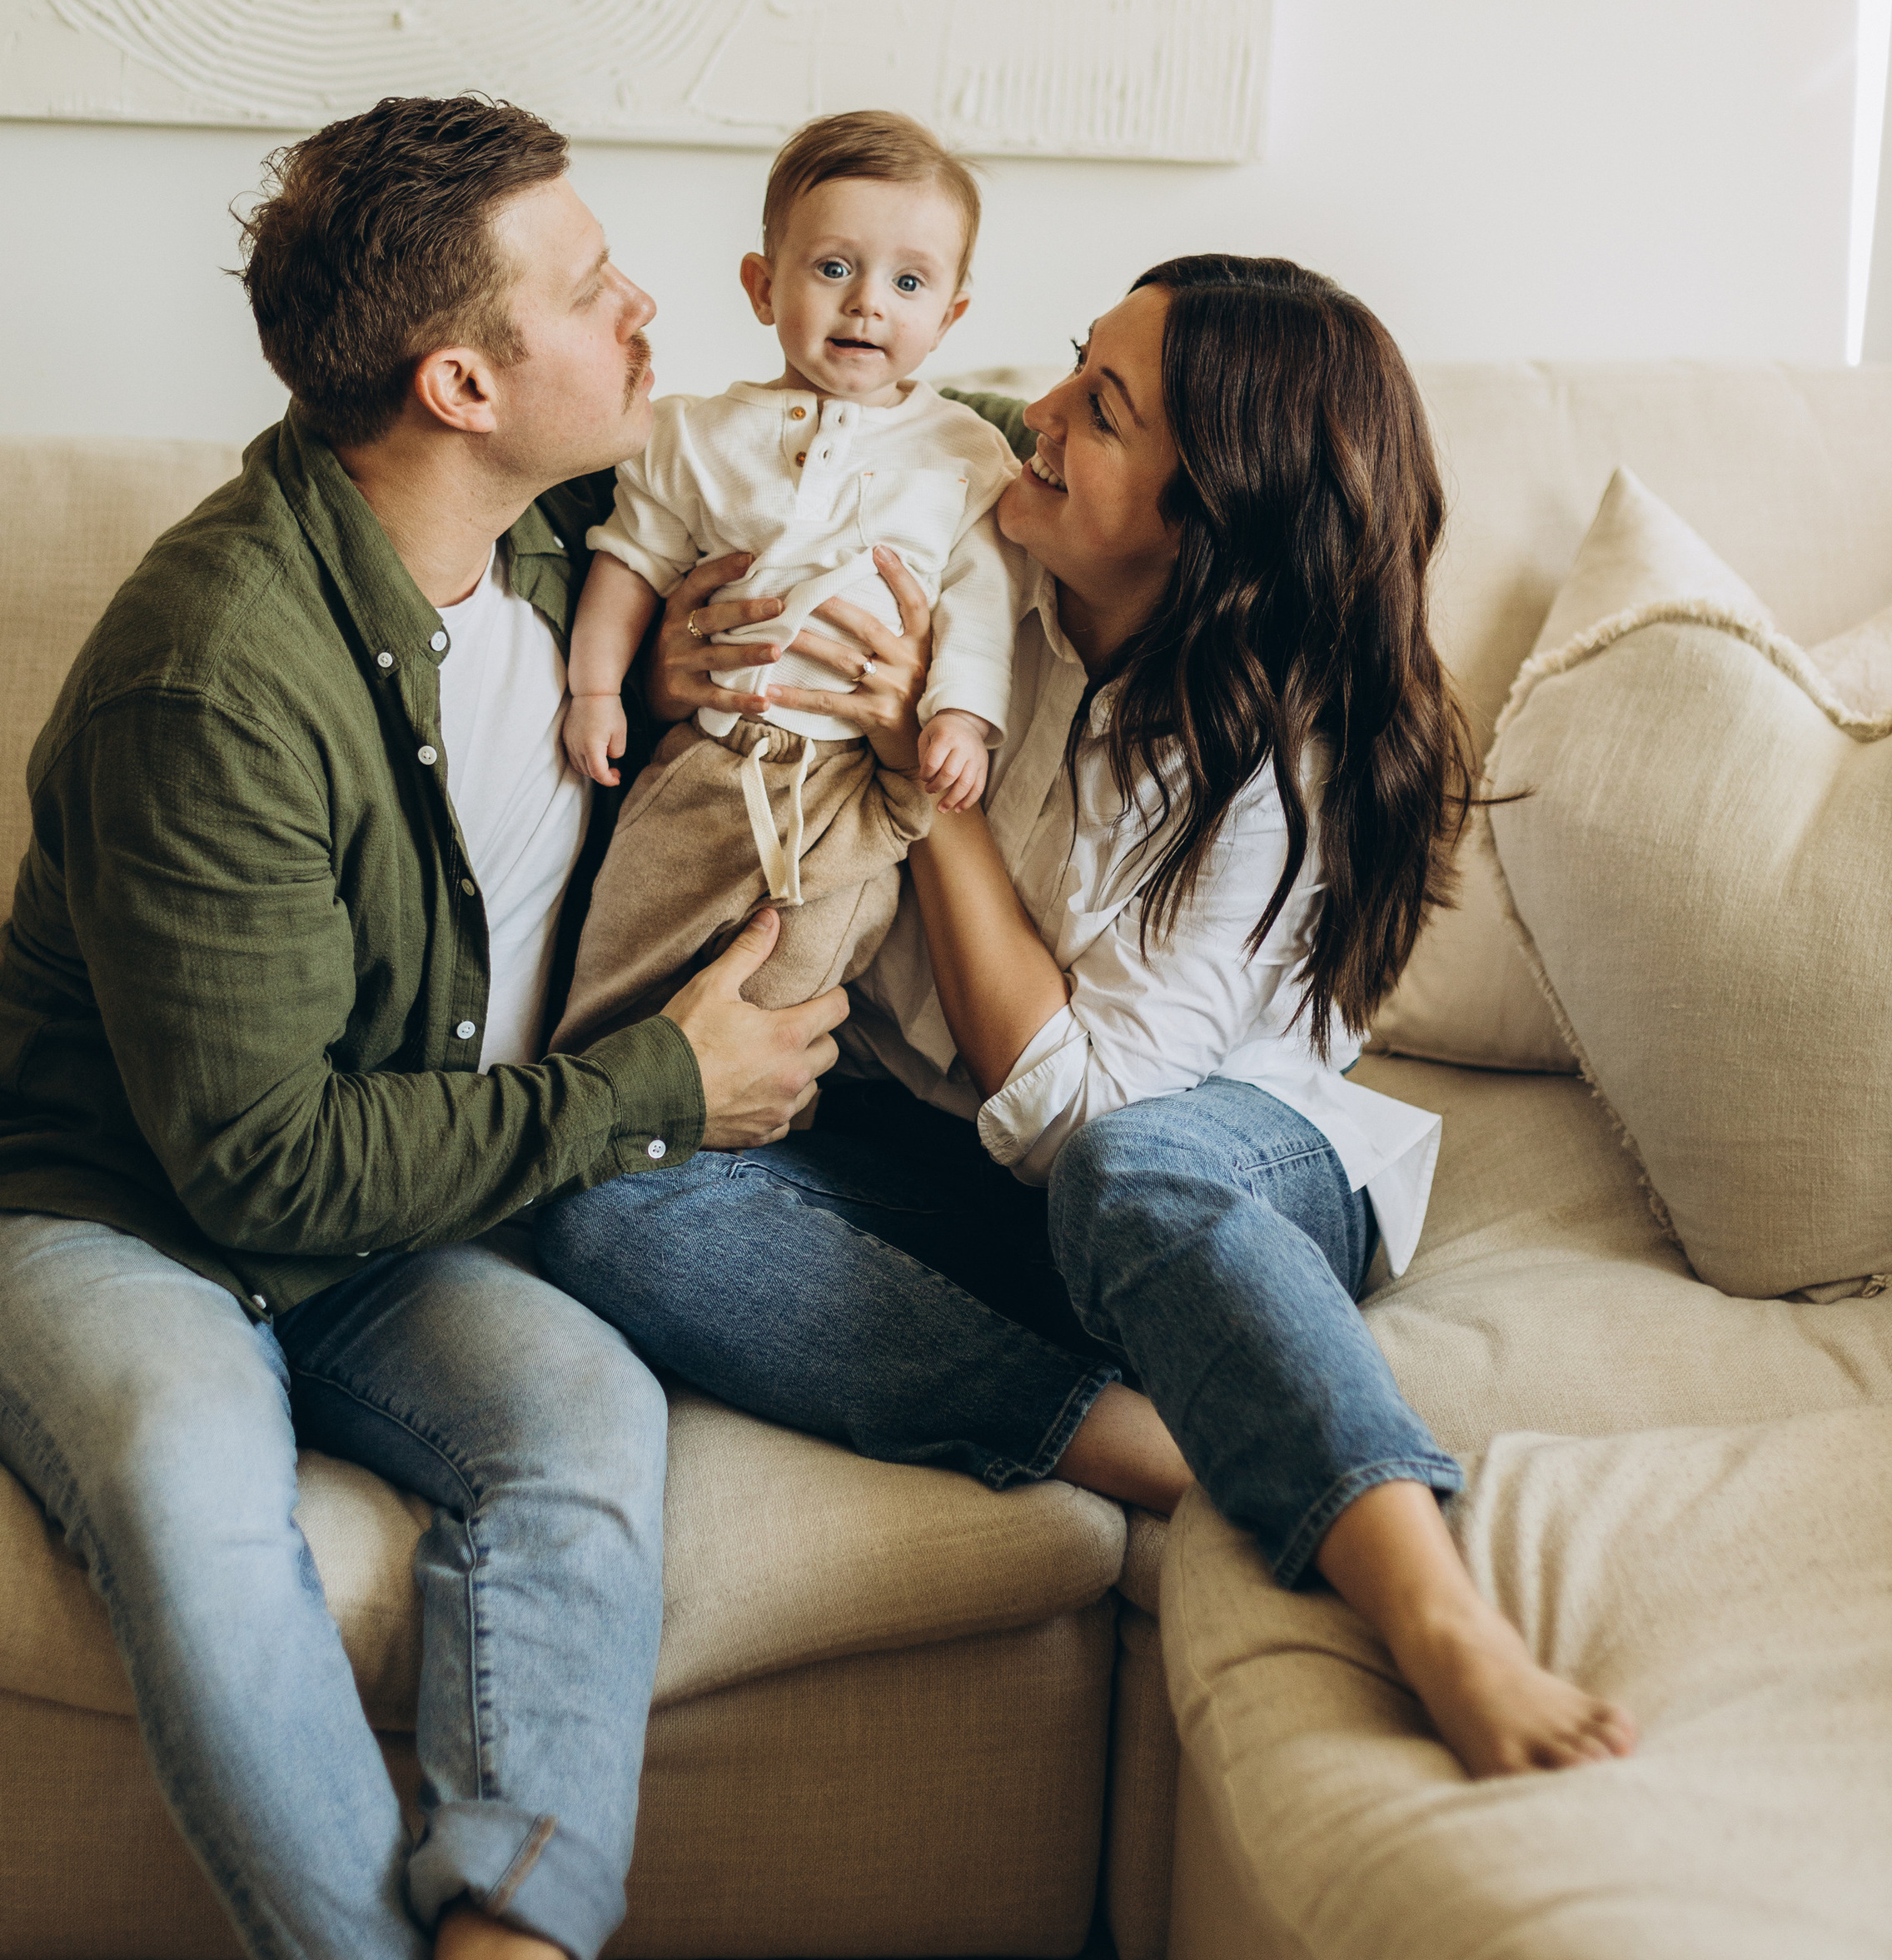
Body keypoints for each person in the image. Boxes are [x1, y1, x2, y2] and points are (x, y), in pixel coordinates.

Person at [0, 92, 851, 1960]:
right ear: (456, 383)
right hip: (117, 1200)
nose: (653, 307)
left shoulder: (553, 548)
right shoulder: (210, 666)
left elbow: (922, 414)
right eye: (593, 281)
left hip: (389, 1187)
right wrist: (656, 1095)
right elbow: (250, 1173)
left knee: (581, 1417)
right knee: (190, 1491)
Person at [538, 256, 1638, 1778]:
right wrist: (665, 668)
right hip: (950, 1168)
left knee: (1137, 1176)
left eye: (1099, 411)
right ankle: (1153, 1439)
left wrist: (931, 779)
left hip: (1211, 1171)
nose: (1035, 416)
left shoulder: (1275, 746)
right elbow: (764, 479)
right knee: (606, 1201)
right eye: (1068, 368)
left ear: (1212, 518)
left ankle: (1426, 1594)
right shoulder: (988, 547)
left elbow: (1087, 1119)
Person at [552, 110, 1018, 1050]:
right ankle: (591, 1090)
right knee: (624, 952)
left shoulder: (966, 452)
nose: (867, 304)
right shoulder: (693, 433)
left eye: (909, 281)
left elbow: (982, 603)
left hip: (848, 783)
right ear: (763, 288)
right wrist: (596, 687)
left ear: (949, 316)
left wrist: (962, 719)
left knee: (792, 978)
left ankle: (751, 1130)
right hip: (701, 762)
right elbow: (630, 559)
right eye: (833, 268)